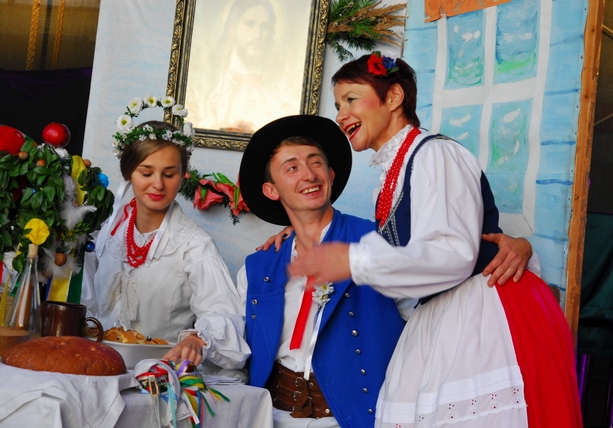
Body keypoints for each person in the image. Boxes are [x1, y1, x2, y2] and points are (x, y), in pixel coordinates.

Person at [288, 53, 583, 427]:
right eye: (337, 105)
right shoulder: (397, 170)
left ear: (394, 97)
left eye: (351, 99)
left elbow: (452, 253)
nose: (341, 115)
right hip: (447, 308)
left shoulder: (436, 154)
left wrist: (353, 260)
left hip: (486, 310)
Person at [237, 114, 406, 428]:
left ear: (330, 174)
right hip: (270, 417)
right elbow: (236, 339)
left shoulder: (378, 243)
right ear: (271, 190)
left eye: (316, 163)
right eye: (292, 168)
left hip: (357, 420)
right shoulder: (259, 265)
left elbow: (432, 307)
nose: (309, 175)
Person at [82, 97, 250, 374]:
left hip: (161, 376)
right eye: (146, 173)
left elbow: (223, 315)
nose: (157, 184)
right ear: (129, 173)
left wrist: (198, 338)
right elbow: (85, 300)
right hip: (99, 368)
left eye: (169, 174)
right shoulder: (106, 232)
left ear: (183, 175)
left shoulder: (194, 246)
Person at [188, 0, 297, 133]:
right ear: (232, 27)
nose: (257, 35)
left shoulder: (282, 83)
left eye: (264, 27)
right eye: (249, 24)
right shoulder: (207, 79)